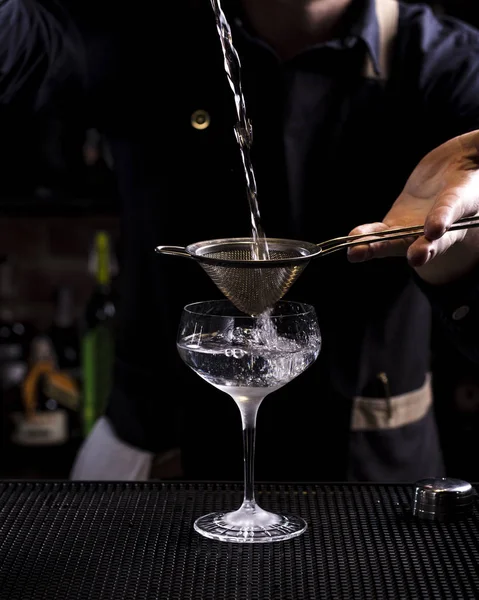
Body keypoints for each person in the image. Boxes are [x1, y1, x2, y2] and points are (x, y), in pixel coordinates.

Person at [2, 0, 479, 482]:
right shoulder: (136, 32)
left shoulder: (450, 64)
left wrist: (462, 249)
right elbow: (16, 46)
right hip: (152, 470)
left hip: (374, 485)